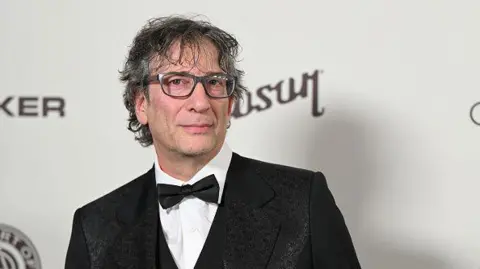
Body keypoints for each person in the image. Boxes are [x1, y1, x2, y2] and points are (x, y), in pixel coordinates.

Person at [65, 15, 361, 269]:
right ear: (141, 104)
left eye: (214, 82)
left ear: (230, 103)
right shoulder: (94, 227)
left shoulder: (304, 202)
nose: (201, 102)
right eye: (177, 81)